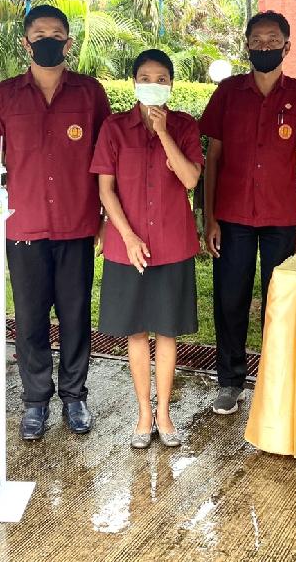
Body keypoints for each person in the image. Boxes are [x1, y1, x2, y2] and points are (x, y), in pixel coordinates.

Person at [0, 4, 111, 441]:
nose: (48, 42)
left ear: (68, 43)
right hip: (24, 226)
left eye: (56, 35)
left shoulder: (90, 94)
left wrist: (105, 218)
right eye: (40, 35)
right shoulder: (4, 97)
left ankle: (74, 396)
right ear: (26, 43)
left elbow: (106, 162)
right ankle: (35, 401)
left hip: (77, 224)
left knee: (75, 315)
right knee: (30, 319)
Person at [200, 10, 296, 415]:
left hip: (281, 218)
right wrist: (209, 217)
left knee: (281, 301)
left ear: (287, 46)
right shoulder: (228, 93)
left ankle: (277, 379)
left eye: (273, 40)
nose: (264, 46)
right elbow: (212, 158)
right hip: (232, 216)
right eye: (257, 40)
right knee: (230, 300)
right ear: (247, 46)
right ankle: (230, 381)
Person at [91, 49, 202, 448]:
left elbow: (190, 179)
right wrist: (128, 236)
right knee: (136, 332)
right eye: (145, 78)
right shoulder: (114, 128)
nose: (153, 85)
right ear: (133, 82)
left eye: (161, 79)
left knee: (167, 331)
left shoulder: (185, 126)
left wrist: (164, 132)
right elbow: (106, 190)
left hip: (173, 244)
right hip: (128, 247)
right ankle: (143, 414)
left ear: (171, 84)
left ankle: (165, 413)